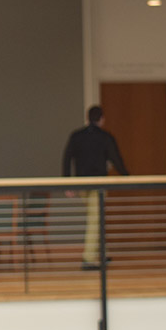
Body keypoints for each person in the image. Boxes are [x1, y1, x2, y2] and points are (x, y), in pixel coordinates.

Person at [61, 105, 130, 270]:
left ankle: (102, 252)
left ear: (87, 118)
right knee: (95, 219)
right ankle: (88, 259)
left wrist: (66, 182)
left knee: (96, 217)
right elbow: (116, 158)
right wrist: (127, 177)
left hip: (81, 185)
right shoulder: (105, 137)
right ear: (101, 119)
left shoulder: (76, 136)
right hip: (98, 185)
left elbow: (66, 158)